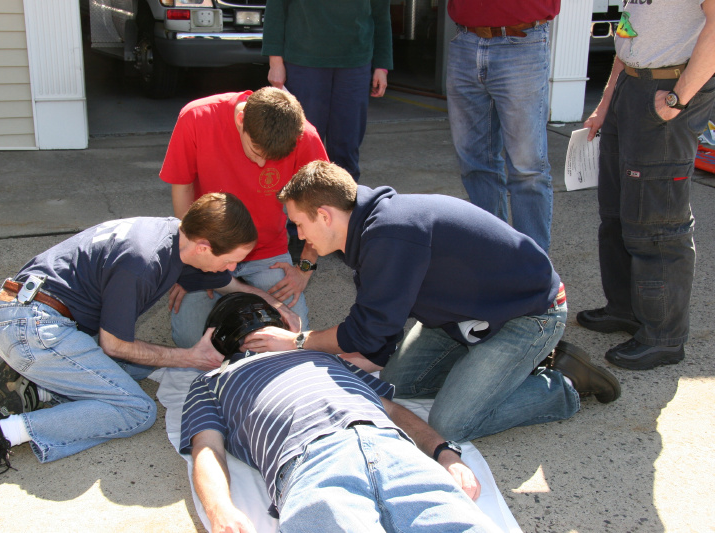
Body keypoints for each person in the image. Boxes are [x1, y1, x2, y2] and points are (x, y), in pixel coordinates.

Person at [242, 161, 620, 444]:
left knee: (452, 424)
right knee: (397, 382)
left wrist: (296, 342)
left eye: (299, 224)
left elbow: (366, 330)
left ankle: (565, 384)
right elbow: (378, 334)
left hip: (527, 313)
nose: (298, 234)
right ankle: (485, 368)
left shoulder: (391, 235)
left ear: (324, 215)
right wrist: (344, 354)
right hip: (461, 316)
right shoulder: (372, 229)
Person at [0, 193, 298, 494]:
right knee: (135, 411)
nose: (234, 267)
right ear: (205, 246)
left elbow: (228, 284)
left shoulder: (177, 238)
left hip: (36, 315)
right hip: (31, 326)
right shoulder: (142, 262)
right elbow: (114, 344)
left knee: (141, 365)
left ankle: (37, 390)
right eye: (231, 259)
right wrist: (189, 357)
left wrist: (275, 305)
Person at [180, 348, 501, 532]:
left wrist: (445, 452)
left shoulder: (322, 356)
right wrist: (219, 509)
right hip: (311, 460)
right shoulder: (213, 380)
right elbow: (207, 447)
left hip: (392, 446)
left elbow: (391, 409)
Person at [576, 0, 715, 370]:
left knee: (658, 225)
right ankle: (626, 310)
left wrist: (677, 99)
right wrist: (606, 102)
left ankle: (664, 337)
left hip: (668, 86)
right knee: (618, 214)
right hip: (631, 85)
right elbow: (628, 35)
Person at [159, 87, 328, 349]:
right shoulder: (196, 117)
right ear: (241, 121)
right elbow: (182, 187)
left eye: (271, 159)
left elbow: (320, 210)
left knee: (293, 334)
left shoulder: (306, 137)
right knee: (190, 342)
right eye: (256, 150)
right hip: (211, 252)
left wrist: (305, 269)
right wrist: (190, 259)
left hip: (267, 253)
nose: (262, 165)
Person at [445, 0, 560, 253]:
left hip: (521, 41)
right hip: (465, 40)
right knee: (474, 163)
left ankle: (533, 270)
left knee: (527, 168)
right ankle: (493, 258)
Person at [262, 0, 393, 183]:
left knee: (347, 147)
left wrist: (382, 65)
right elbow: (276, 8)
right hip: (304, 62)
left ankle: (345, 204)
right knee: (302, 144)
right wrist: (275, 62)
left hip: (355, 64)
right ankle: (301, 206)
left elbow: (381, 15)